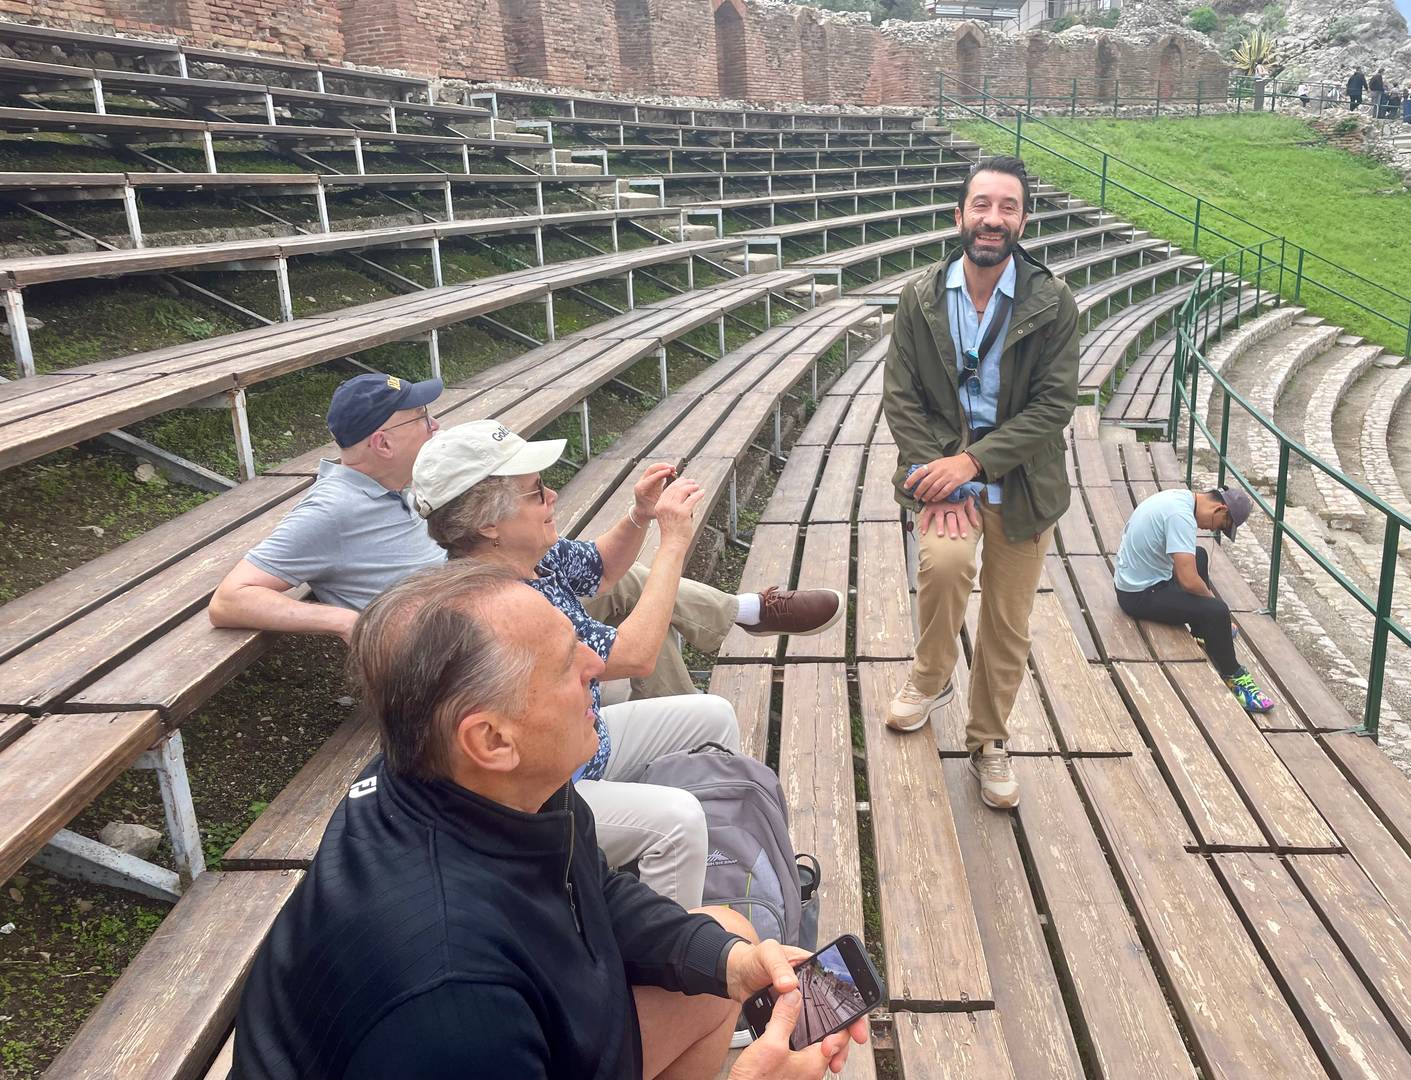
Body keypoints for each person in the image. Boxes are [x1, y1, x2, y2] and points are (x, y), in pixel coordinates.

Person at [230, 561, 867, 1079]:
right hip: (469, 1033)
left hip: (529, 1019)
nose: (596, 665)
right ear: (491, 739)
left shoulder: (477, 782)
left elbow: (593, 891)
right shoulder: (455, 1004)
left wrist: (727, 962)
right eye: (566, 663)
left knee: (726, 936)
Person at [209, 373, 843, 702]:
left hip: (504, 587)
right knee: (638, 616)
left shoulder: (420, 488)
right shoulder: (331, 510)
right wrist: (348, 622)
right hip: (473, 642)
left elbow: (599, 567)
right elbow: (231, 599)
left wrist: (639, 516)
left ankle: (730, 638)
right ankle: (723, 655)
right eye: (422, 419)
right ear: (382, 441)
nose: (436, 426)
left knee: (626, 584)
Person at [411, 419, 831, 907]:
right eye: (536, 491)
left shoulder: (527, 557)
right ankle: (675, 940)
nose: (552, 496)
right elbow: (633, 656)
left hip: (582, 744)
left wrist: (639, 515)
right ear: (488, 524)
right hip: (543, 793)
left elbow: (603, 568)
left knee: (714, 714)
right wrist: (673, 542)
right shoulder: (498, 605)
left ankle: (724, 863)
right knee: (678, 821)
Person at [879, 156, 1078, 811]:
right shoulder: (921, 297)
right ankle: (930, 676)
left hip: (1023, 483)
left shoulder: (1052, 301)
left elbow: (1053, 407)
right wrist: (938, 473)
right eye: (982, 205)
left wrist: (974, 463)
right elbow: (902, 396)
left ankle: (989, 739)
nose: (994, 219)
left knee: (1007, 622)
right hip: (944, 475)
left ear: (1024, 220)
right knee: (943, 567)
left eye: (1008, 207)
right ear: (959, 215)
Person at [1113, 487, 1276, 713]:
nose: (1213, 529)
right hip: (1139, 595)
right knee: (1218, 610)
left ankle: (1202, 632)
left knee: (1199, 555)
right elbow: (1188, 581)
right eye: (1221, 525)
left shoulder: (1180, 499)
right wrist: (1213, 605)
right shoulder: (1181, 517)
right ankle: (1235, 677)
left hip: (1133, 580)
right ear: (1220, 509)